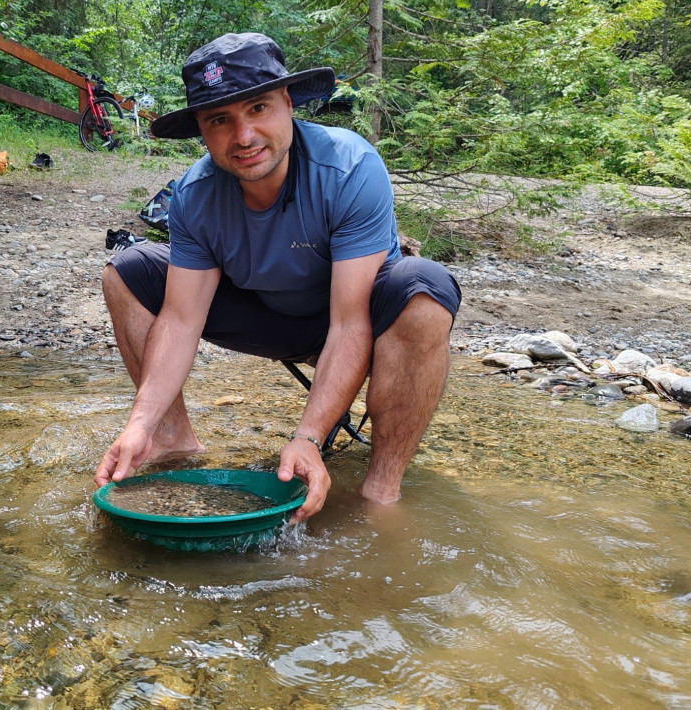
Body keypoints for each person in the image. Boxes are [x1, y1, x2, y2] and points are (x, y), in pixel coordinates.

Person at [94, 33, 461, 522]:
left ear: (288, 104)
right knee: (128, 270)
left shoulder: (349, 167)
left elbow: (350, 323)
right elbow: (181, 320)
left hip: (356, 322)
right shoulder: (193, 195)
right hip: (264, 315)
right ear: (201, 131)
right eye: (220, 120)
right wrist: (138, 421)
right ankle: (168, 441)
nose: (243, 136)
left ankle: (381, 493)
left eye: (258, 108)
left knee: (425, 290)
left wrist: (307, 438)